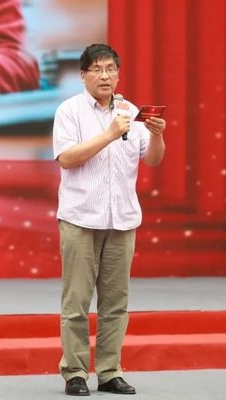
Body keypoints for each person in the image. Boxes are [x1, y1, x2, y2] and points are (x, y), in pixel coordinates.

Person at [52, 43, 166, 396]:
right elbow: (67, 158)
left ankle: (109, 372)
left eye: (111, 69)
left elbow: (153, 160)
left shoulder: (131, 111)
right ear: (83, 75)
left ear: (118, 74)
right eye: (97, 69)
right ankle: (74, 373)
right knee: (76, 302)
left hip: (122, 220)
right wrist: (109, 135)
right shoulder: (69, 111)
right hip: (80, 218)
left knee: (116, 303)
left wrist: (157, 134)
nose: (105, 76)